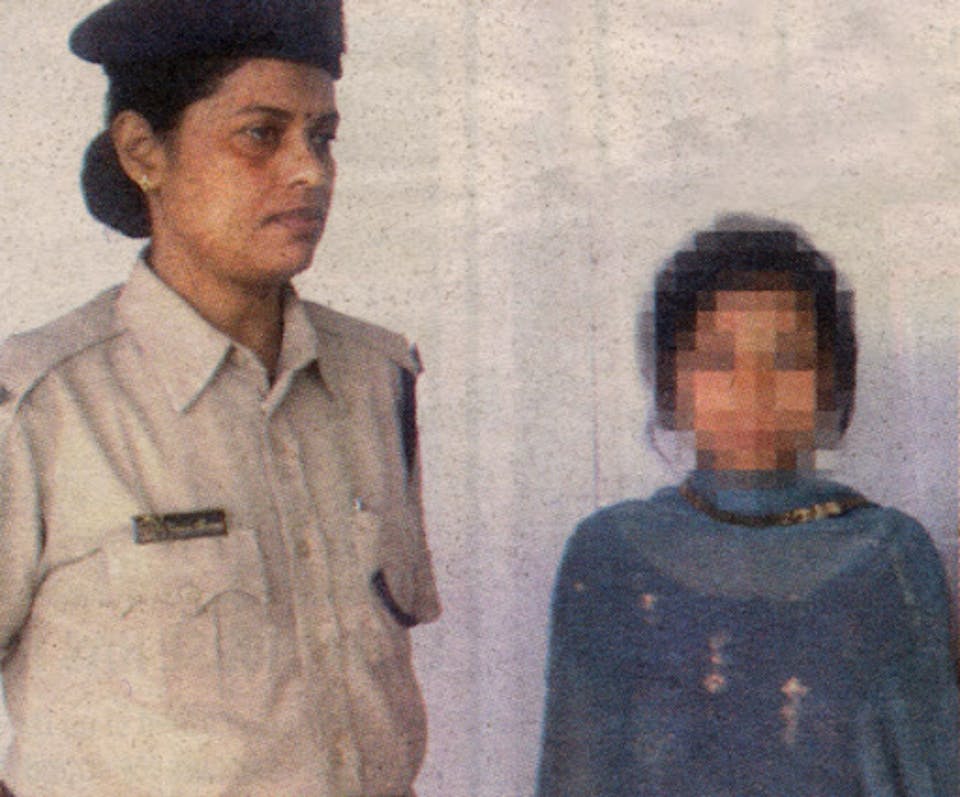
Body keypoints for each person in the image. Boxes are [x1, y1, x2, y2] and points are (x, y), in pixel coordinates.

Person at [0, 1, 440, 795]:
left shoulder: (378, 378)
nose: (309, 171)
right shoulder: (40, 408)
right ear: (143, 152)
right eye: (260, 134)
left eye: (322, 137)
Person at [535, 228, 959, 796]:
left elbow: (931, 774)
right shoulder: (610, 554)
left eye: (787, 360)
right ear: (672, 380)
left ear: (830, 380)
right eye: (717, 359)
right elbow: (572, 779)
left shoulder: (889, 555)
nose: (753, 388)